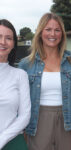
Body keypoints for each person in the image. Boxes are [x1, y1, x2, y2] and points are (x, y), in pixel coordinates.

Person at [18, 12, 71, 150]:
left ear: (62, 34)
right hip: (37, 123)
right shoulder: (25, 64)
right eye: (48, 29)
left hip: (69, 124)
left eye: (57, 30)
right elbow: (20, 102)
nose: (53, 34)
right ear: (40, 33)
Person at [0, 19, 31, 150]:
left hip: (13, 143)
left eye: (8, 38)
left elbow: (25, 116)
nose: (3, 42)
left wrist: (1, 139)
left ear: (13, 44)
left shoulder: (20, 75)